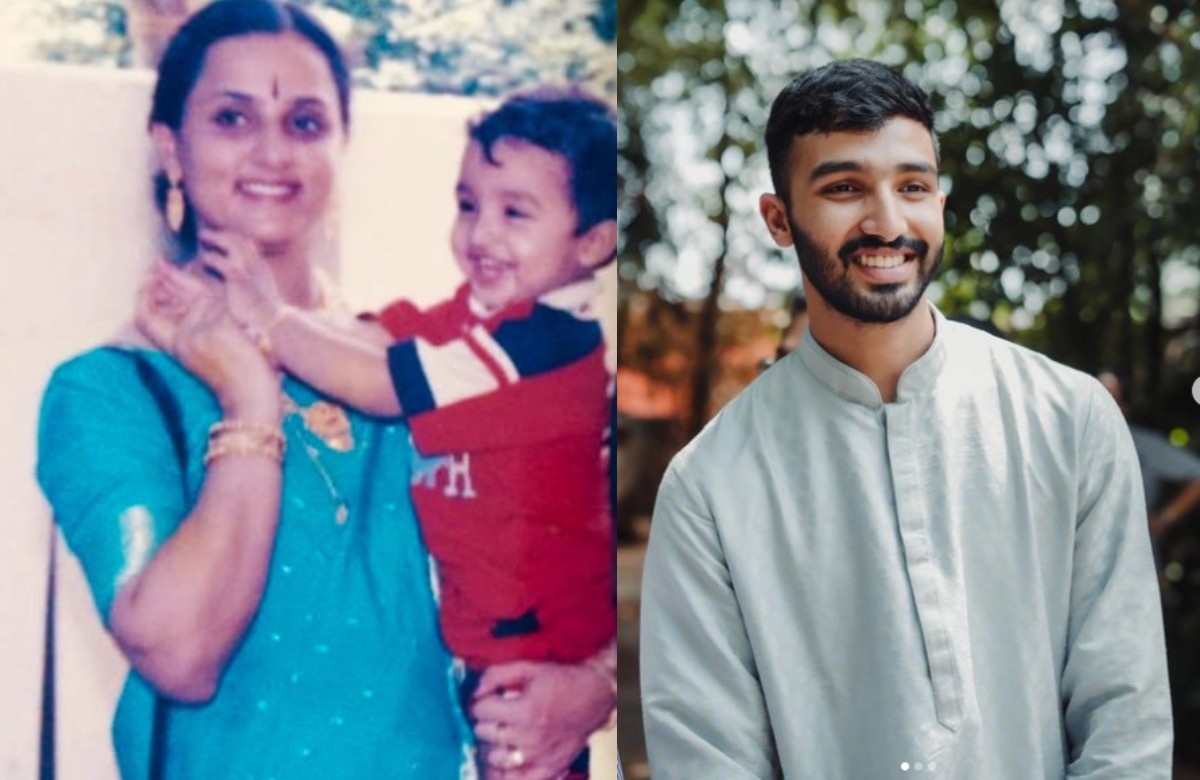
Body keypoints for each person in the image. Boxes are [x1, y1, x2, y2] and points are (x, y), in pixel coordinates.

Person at [35, 2, 614, 779]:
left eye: (306, 123)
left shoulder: (431, 364)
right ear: (171, 147)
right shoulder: (115, 390)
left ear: (343, 147)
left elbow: (579, 537)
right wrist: (248, 399)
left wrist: (594, 684)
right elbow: (179, 653)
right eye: (233, 118)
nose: (272, 151)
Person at [639, 58, 1172, 778]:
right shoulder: (709, 487)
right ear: (778, 219)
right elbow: (707, 757)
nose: (887, 222)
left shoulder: (1068, 419)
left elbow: (1126, 717)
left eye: (912, 187)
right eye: (844, 188)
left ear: (941, 206)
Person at [1098, 370, 1200, 540]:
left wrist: (1164, 519)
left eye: (1112, 400)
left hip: (1133, 559)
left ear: (1125, 407)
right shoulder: (1069, 445)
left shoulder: (1141, 444)